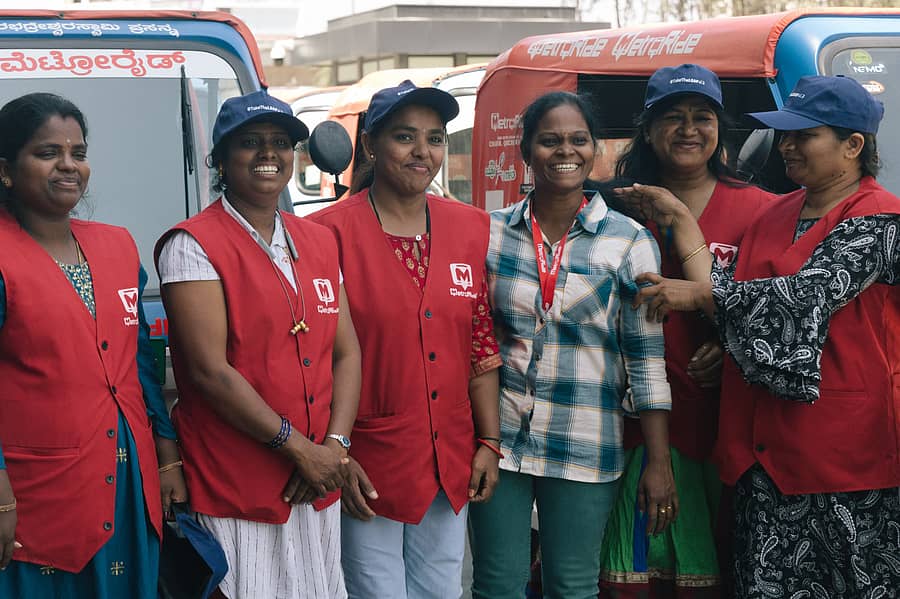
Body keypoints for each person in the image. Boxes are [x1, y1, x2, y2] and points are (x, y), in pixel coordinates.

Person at [620, 75, 900, 597]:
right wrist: (682, 219)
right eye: (783, 134)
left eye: (803, 136)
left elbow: (803, 297)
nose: (786, 146)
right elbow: (729, 292)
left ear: (853, 146)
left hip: (843, 456)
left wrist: (699, 298)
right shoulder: (775, 212)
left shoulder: (880, 219)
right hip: (759, 456)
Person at [155, 90, 361, 599]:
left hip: (311, 484)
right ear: (221, 160)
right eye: (250, 143)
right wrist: (299, 450)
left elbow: (347, 352)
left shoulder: (317, 240)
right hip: (236, 479)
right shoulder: (193, 244)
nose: (269, 154)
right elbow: (209, 372)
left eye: (281, 143)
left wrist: (334, 448)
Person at [469, 91, 675, 599]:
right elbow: (475, 342)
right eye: (550, 140)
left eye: (578, 139)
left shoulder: (628, 240)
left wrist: (658, 463)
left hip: (585, 438)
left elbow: (646, 361)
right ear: (527, 150)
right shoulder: (489, 234)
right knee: (496, 587)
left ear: (595, 148)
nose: (566, 150)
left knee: (572, 588)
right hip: (499, 441)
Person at [309, 80, 501, 599]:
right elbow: (315, 358)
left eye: (435, 138)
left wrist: (489, 442)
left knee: (442, 591)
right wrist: (337, 454)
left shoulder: (470, 227)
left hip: (450, 454)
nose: (423, 152)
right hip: (368, 459)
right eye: (405, 137)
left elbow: (480, 346)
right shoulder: (325, 234)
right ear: (370, 144)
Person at [0, 92, 185, 598]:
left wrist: (166, 458)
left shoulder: (117, 246)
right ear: (6, 170)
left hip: (126, 478)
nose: (68, 166)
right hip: (35, 491)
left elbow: (142, 369)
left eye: (78, 153)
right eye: (47, 153)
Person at [599, 64, 774, 598]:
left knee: (715, 566)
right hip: (628, 428)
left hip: (723, 426)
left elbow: (775, 312)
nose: (689, 129)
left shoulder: (762, 210)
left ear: (721, 128)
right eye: (672, 118)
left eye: (703, 117)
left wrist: (732, 344)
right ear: (647, 129)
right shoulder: (611, 208)